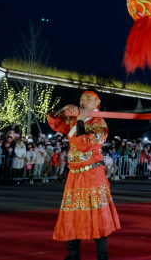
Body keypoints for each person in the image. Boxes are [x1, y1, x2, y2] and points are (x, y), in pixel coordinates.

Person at [47, 90, 120, 260]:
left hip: (93, 173)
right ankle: (73, 256)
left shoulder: (100, 123)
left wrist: (80, 122)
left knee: (98, 215)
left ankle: (102, 257)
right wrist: (63, 109)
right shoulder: (72, 119)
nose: (84, 102)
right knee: (71, 214)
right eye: (82, 99)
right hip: (74, 174)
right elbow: (54, 122)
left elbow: (84, 144)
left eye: (88, 99)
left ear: (97, 102)